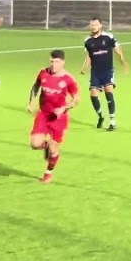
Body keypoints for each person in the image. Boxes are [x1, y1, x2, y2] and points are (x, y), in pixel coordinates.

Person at [27, 49, 81, 183]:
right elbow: (36, 86)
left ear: (63, 62)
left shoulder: (68, 79)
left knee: (54, 149)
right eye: (51, 61)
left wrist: (64, 108)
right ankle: (45, 146)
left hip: (58, 118)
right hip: (43, 115)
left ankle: (48, 173)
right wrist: (31, 102)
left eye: (56, 62)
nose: (53, 65)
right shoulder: (43, 73)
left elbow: (77, 99)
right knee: (34, 144)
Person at [80, 17, 129, 131]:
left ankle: (112, 122)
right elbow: (89, 56)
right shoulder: (88, 41)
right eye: (92, 25)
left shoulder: (108, 37)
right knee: (93, 95)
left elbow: (117, 49)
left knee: (109, 93)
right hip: (95, 72)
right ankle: (101, 116)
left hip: (107, 71)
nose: (93, 26)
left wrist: (123, 62)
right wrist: (84, 68)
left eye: (96, 24)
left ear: (101, 25)